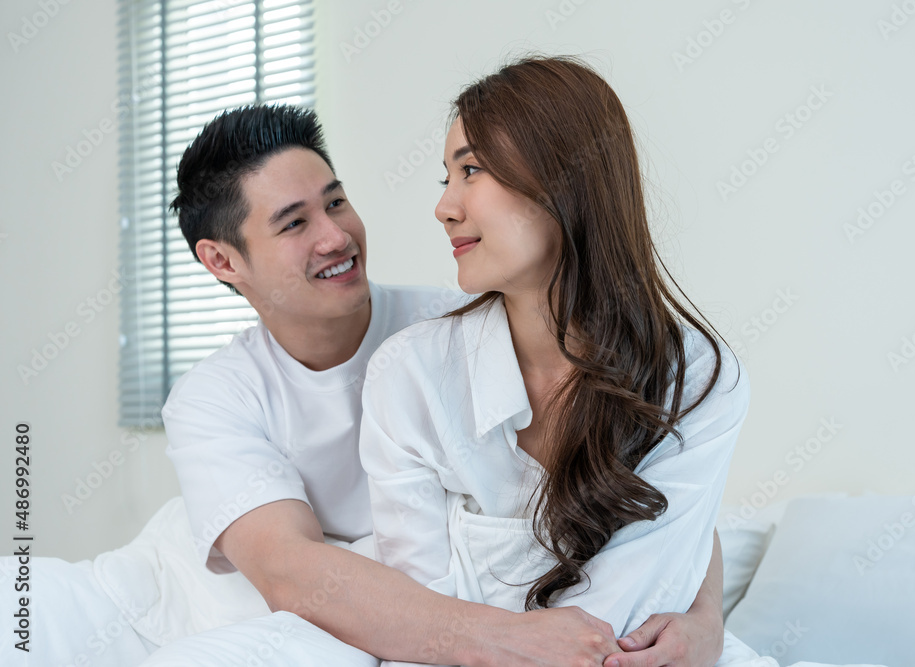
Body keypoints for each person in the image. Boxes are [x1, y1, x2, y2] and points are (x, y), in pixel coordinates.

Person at [137, 103, 729, 666]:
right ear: (221, 261)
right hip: (292, 609)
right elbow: (293, 572)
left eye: (337, 203)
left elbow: (657, 483)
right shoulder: (213, 399)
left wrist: (705, 622)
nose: (336, 237)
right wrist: (508, 641)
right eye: (295, 223)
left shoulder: (465, 328)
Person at [360, 56, 756, 666]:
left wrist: (706, 622)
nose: (445, 206)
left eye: (471, 171)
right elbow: (426, 622)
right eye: (445, 178)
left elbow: (624, 621)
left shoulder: (696, 377)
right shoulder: (410, 375)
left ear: (563, 179)